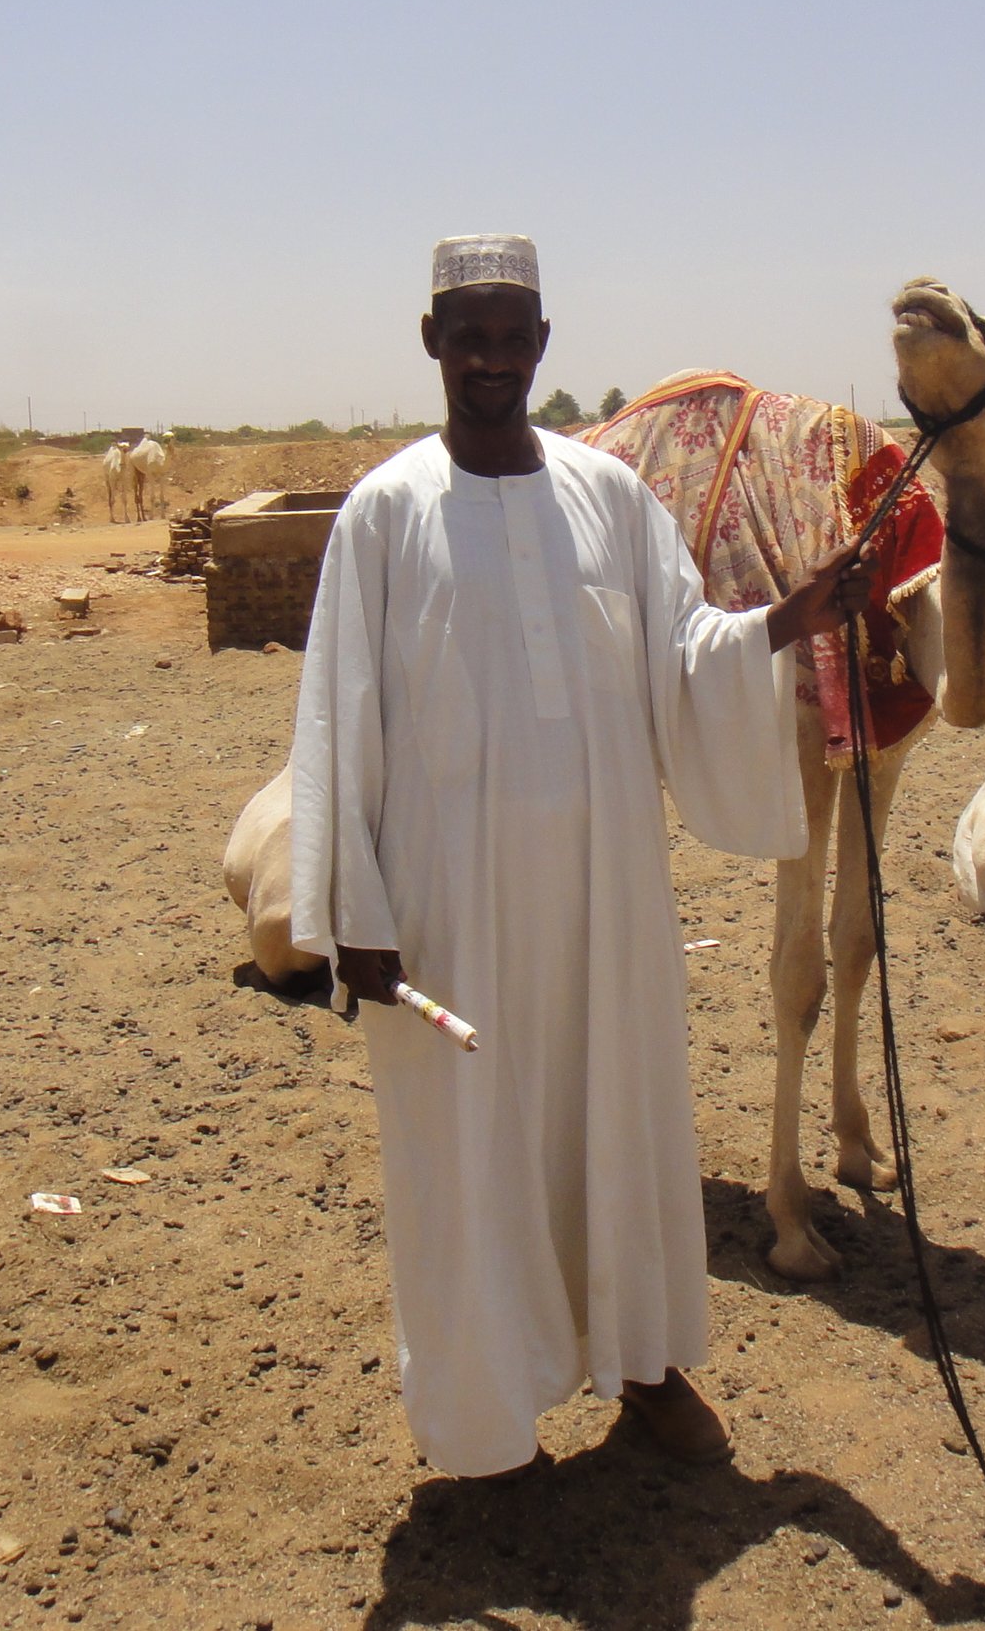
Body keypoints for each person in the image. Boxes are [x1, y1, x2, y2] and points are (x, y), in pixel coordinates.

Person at [286, 234, 871, 1479]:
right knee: (471, 1154)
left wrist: (784, 620)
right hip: (452, 911)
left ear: (543, 346)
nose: (494, 359)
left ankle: (646, 1368)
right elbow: (338, 715)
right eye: (471, 335)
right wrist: (357, 907)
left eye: (515, 336)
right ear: (433, 341)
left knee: (625, 1122)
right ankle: (490, 1411)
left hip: (608, 898)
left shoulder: (611, 498)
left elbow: (682, 654)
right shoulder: (386, 512)